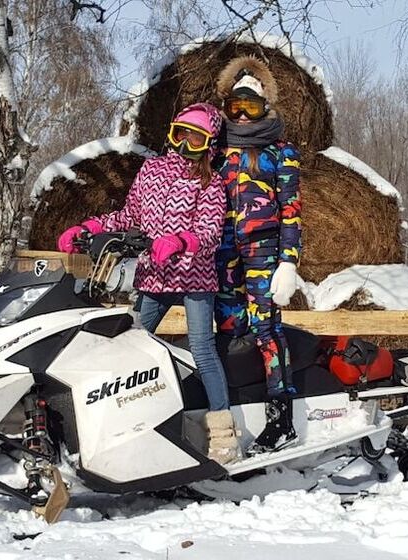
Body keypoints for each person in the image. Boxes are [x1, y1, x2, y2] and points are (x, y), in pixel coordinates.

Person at [57, 103, 240, 464]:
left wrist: (181, 241)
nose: (186, 145)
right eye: (181, 135)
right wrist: (91, 228)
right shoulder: (152, 170)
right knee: (132, 342)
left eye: (197, 139)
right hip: (154, 276)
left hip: (193, 277)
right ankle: (133, 421)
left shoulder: (211, 183)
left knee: (202, 349)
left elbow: (209, 233)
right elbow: (130, 215)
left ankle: (223, 434)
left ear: (209, 144)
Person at [214, 57, 303, 456]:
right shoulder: (215, 151)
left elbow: (291, 209)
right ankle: (233, 411)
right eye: (237, 107)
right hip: (223, 253)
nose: (244, 116)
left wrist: (289, 260)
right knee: (230, 331)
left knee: (266, 329)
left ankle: (281, 418)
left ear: (265, 107)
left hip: (265, 251)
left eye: (252, 107)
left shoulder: (280, 152)